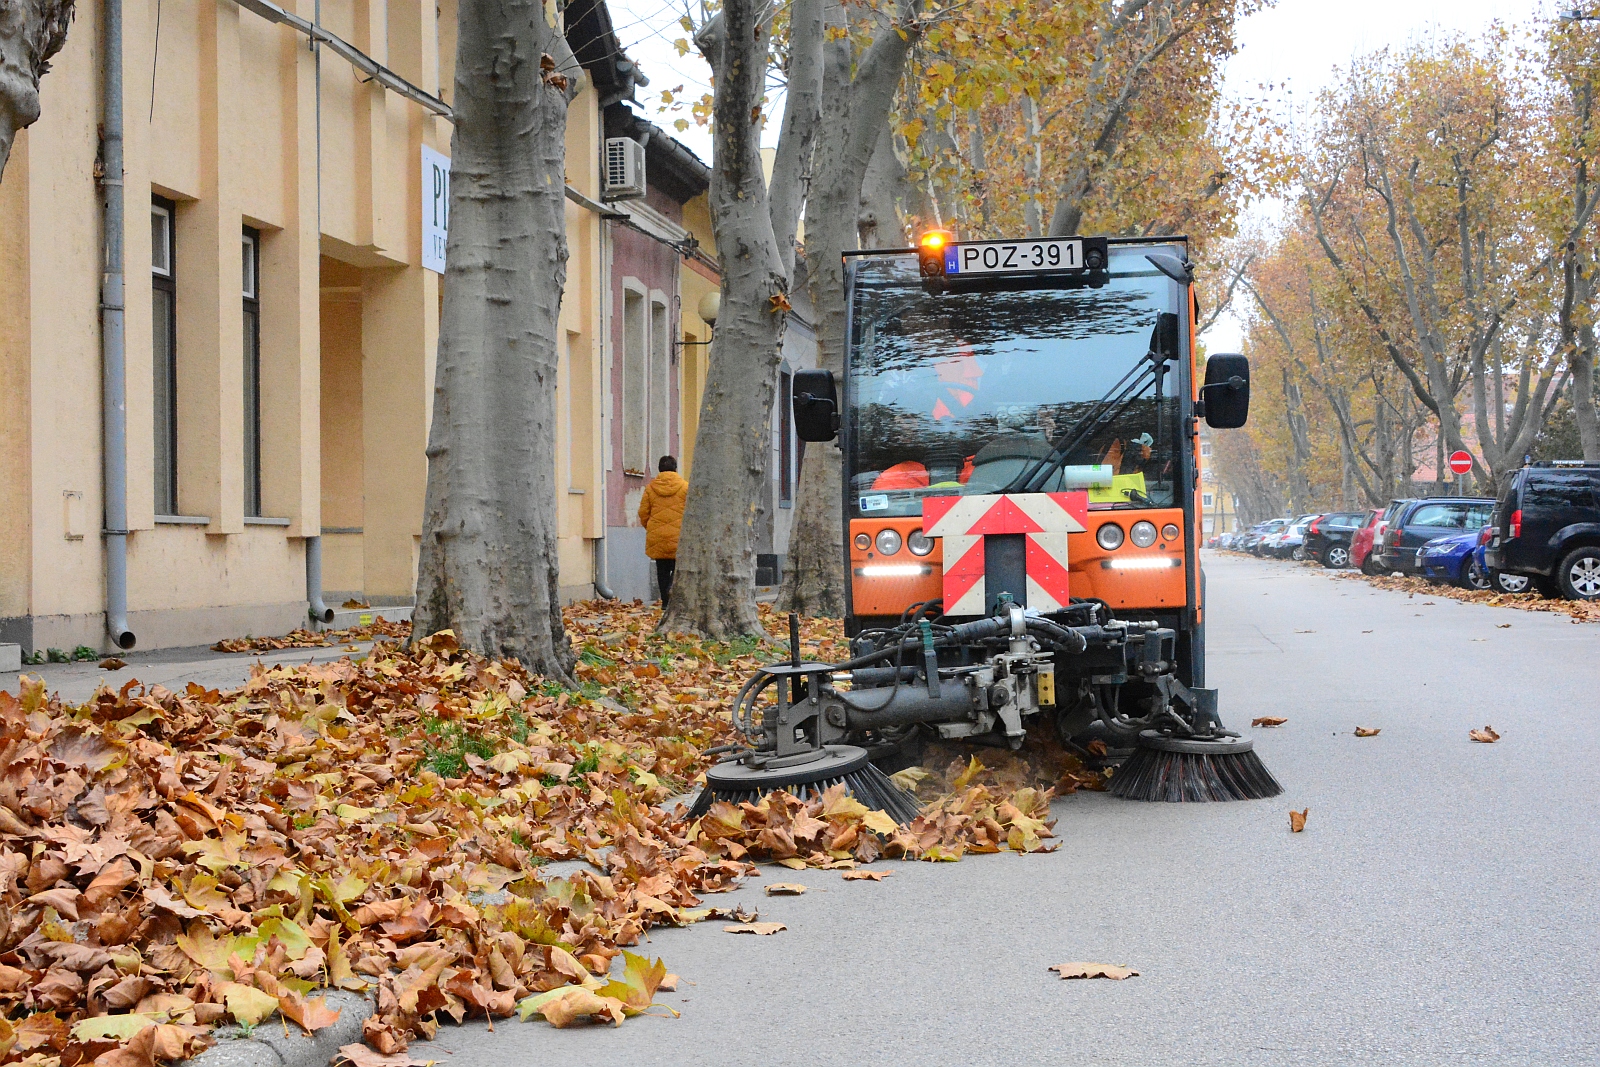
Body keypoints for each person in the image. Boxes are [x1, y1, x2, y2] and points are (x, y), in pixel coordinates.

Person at [638, 456, 687, 604]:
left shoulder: (650, 488)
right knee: (678, 567)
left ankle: (665, 601)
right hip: (679, 536)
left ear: (659, 469)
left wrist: (652, 528)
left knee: (661, 569)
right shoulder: (685, 487)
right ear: (675, 468)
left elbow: (643, 513)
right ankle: (672, 587)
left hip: (657, 535)